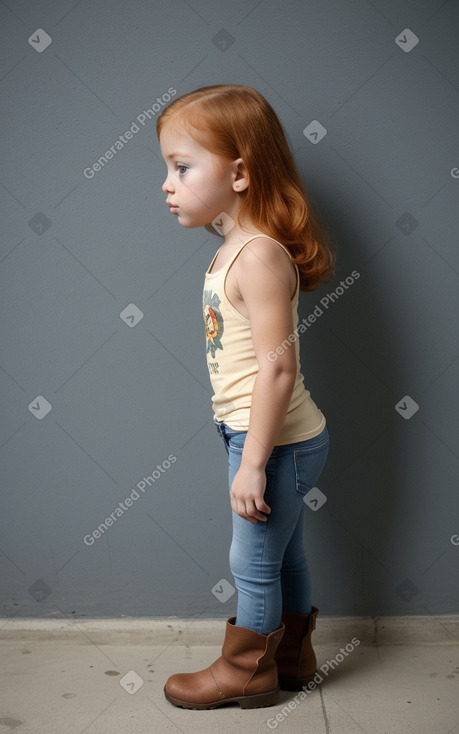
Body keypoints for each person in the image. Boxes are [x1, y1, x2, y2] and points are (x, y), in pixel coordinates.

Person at [156, 84, 335, 710]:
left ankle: (246, 673)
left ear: (238, 173)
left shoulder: (257, 257)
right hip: (266, 436)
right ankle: (292, 658)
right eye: (166, 169)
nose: (167, 184)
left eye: (181, 167)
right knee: (284, 554)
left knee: (253, 558)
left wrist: (254, 460)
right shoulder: (230, 249)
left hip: (275, 440)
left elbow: (277, 373)